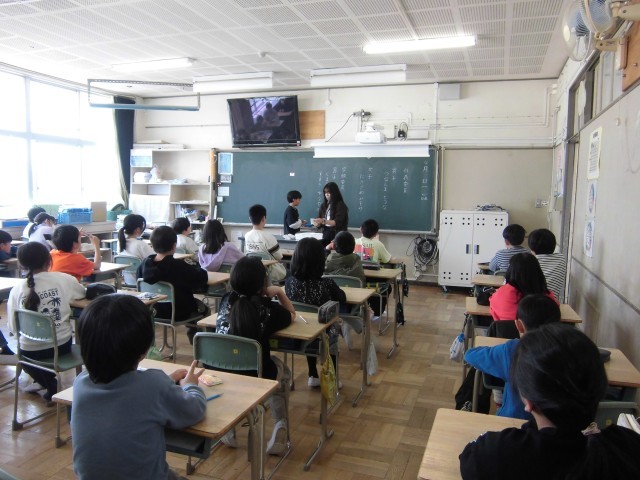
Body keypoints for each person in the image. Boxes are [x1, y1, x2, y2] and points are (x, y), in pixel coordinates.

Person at [459, 323, 640, 479]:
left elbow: (468, 459)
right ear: (600, 388)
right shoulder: (626, 447)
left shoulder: (497, 452)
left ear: (528, 402)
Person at [72, 294, 206, 480]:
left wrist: (167, 381)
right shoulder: (154, 385)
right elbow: (194, 410)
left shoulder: (80, 383)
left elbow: (130, 396)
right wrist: (190, 385)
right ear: (143, 350)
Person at [215, 256, 295, 455]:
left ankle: (228, 426)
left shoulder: (225, 301)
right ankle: (280, 425)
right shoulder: (267, 309)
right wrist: (279, 292)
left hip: (220, 371)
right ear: (263, 282)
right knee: (284, 374)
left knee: (236, 367)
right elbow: (291, 315)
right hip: (255, 374)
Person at [7, 242, 86, 402]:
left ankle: (49, 383)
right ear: (49, 260)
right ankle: (52, 385)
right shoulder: (63, 279)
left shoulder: (17, 290)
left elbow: (13, 327)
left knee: (26, 358)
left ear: (21, 264)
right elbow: (81, 293)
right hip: (61, 346)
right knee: (50, 353)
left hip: (28, 351)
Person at [464, 294, 561, 419]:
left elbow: (470, 355)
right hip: (560, 424)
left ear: (519, 325)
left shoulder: (513, 350)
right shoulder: (571, 352)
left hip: (513, 420)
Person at [285, 237, 345, 388]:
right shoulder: (326, 283)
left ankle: (312, 374)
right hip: (324, 332)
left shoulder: (289, 282)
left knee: (309, 324)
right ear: (320, 261)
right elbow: (341, 298)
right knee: (330, 326)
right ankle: (333, 377)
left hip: (299, 329)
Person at [137, 226, 209, 343]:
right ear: (174, 246)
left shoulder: (144, 265)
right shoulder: (178, 266)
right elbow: (201, 279)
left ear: (152, 245)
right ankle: (198, 344)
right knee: (204, 309)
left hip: (152, 310)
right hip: (179, 312)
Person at [489, 252, 557, 321]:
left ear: (510, 271)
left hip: (506, 328)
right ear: (538, 272)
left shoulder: (501, 294)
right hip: (540, 328)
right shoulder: (548, 298)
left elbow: (493, 310)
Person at [355, 218, 395, 317]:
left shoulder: (354, 242)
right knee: (387, 287)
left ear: (360, 229)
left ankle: (364, 308)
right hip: (373, 280)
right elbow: (387, 259)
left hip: (357, 279)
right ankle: (377, 312)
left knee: (367, 287)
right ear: (376, 233)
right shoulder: (378, 244)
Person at [244, 204, 286, 284]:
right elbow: (279, 257)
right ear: (264, 218)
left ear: (250, 219)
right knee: (290, 273)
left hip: (253, 271)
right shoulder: (269, 237)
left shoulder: (247, 235)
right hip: (269, 273)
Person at [528, 228, 567, 303]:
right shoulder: (561, 258)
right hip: (552, 304)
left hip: (530, 305)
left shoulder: (529, 262)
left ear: (531, 247)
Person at [313, 181, 348, 247]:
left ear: (334, 193)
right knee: (324, 250)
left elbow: (337, 222)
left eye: (329, 192)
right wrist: (317, 224)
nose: (326, 194)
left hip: (337, 234)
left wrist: (323, 221)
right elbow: (320, 219)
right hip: (326, 233)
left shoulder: (340, 205)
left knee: (335, 250)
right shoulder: (323, 205)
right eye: (325, 192)